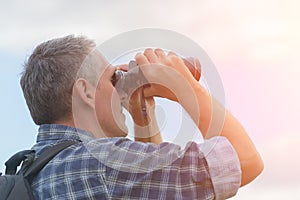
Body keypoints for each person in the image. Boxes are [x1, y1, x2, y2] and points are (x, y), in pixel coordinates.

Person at [20, 35, 263, 199]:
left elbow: (157, 192)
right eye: (113, 78)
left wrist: (143, 116)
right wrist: (186, 86)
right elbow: (245, 161)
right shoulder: (100, 165)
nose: (121, 90)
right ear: (85, 92)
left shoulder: (34, 168)